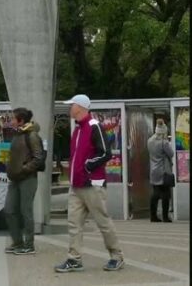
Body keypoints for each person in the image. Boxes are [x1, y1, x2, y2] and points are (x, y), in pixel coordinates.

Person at [54, 95, 124, 273]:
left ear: (80, 107)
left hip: (92, 184)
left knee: (103, 221)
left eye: (72, 105)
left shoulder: (94, 126)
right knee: (74, 224)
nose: (69, 108)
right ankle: (74, 259)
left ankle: (116, 256)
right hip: (77, 185)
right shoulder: (77, 129)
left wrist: (87, 166)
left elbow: (105, 153)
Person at [4, 107, 44, 255]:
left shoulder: (32, 135)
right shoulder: (17, 134)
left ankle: (29, 245)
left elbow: (38, 158)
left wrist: (24, 169)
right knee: (9, 210)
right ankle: (17, 242)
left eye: (13, 118)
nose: (11, 121)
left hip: (27, 179)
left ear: (21, 120)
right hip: (14, 178)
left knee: (25, 211)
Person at [148, 115, 174, 222]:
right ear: (164, 131)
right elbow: (171, 154)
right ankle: (165, 217)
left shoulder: (149, 141)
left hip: (153, 170)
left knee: (155, 193)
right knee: (166, 194)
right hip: (164, 171)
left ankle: (153, 216)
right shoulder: (164, 142)